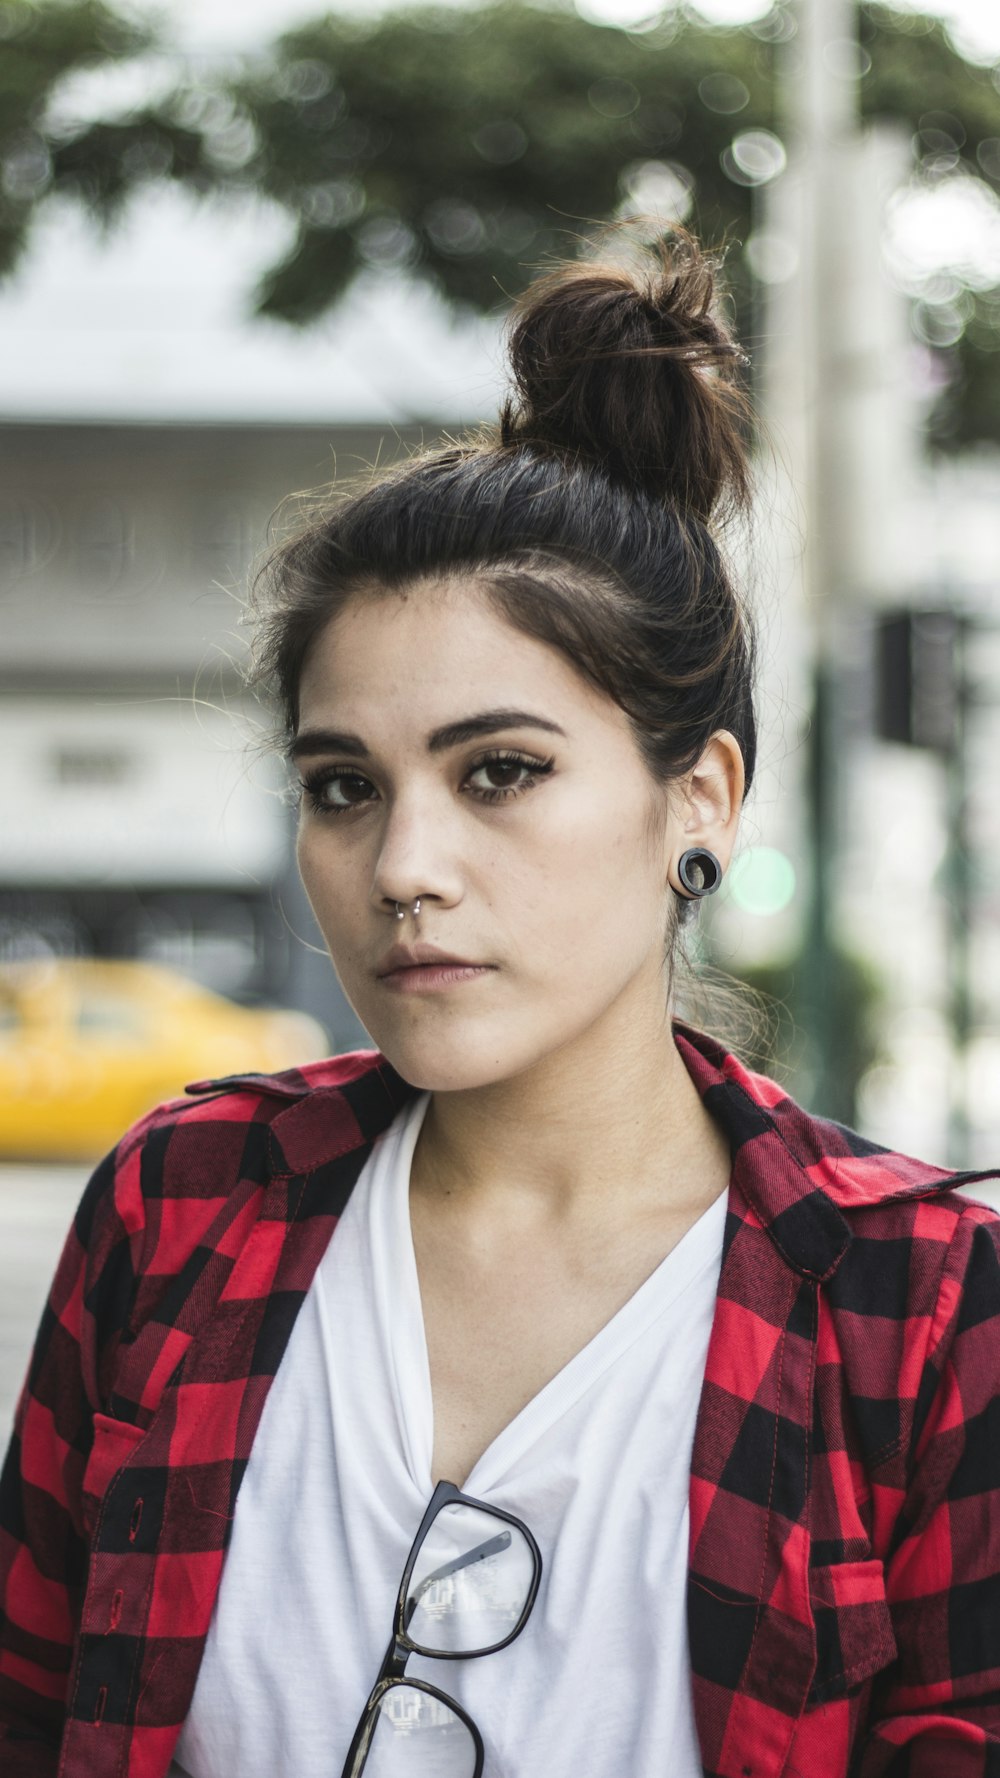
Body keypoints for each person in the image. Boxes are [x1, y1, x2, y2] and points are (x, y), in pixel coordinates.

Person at [2, 229, 999, 1778]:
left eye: (502, 772)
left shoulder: (920, 1305)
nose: (405, 864)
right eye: (343, 787)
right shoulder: (183, 1206)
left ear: (702, 798)